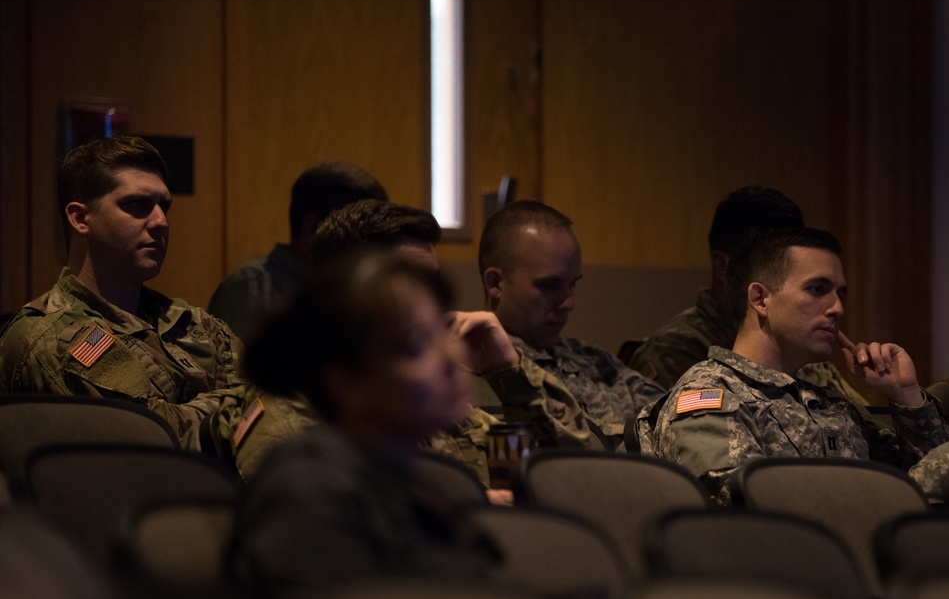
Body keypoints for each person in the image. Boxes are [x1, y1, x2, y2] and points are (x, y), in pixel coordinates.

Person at [211, 199, 596, 489]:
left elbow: (569, 473)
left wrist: (510, 372)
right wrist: (469, 507)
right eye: (412, 288)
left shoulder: (429, 411)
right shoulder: (291, 433)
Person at [636, 227, 949, 504]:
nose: (837, 308)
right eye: (817, 289)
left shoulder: (826, 404)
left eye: (840, 292)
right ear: (760, 299)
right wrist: (912, 488)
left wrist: (905, 397)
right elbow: (742, 505)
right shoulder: (708, 395)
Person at [229, 250, 498, 599]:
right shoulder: (307, 488)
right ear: (345, 384)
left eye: (442, 330)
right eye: (415, 346)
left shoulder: (408, 480)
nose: (452, 356)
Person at [0, 136, 244, 450]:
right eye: (136, 206)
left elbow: (274, 405)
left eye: (164, 206)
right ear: (80, 217)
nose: (160, 222)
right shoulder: (46, 337)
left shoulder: (188, 319)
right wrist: (233, 409)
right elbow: (151, 438)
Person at [628, 186, 867, 406]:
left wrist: (902, 392)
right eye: (816, 289)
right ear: (723, 266)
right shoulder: (676, 352)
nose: (837, 309)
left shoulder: (800, 346)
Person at [479, 200, 665, 446]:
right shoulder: (473, 369)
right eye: (550, 286)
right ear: (495, 284)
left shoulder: (594, 362)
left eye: (572, 284)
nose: (569, 303)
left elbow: (673, 418)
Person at [208, 160, 387, 339]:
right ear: (312, 228)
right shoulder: (251, 287)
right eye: (362, 234)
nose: (373, 250)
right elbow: (241, 365)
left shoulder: (341, 288)